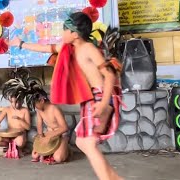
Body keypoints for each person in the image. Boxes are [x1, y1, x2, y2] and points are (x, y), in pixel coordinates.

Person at [9, 12, 122, 180]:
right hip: (90, 100)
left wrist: (105, 103)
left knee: (86, 143)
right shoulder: (69, 48)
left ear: (74, 34)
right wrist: (21, 44)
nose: (62, 34)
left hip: (100, 98)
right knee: (84, 143)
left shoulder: (88, 49)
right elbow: (45, 48)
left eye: (64, 30)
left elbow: (110, 75)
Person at [0, 79, 31, 157]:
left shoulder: (25, 110)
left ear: (21, 101)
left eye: (16, 102)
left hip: (20, 135)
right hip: (9, 137)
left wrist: (20, 120)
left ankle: (17, 148)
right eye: (12, 102)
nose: (14, 105)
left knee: (19, 141)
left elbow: (28, 127)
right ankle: (10, 148)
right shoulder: (7, 109)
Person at [30, 88, 69, 164]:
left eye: (35, 105)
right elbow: (39, 124)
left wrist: (49, 136)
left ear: (42, 101)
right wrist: (40, 137)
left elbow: (64, 127)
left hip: (61, 134)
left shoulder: (55, 109)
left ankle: (67, 148)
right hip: (48, 132)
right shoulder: (39, 110)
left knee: (58, 158)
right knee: (35, 155)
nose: (35, 107)